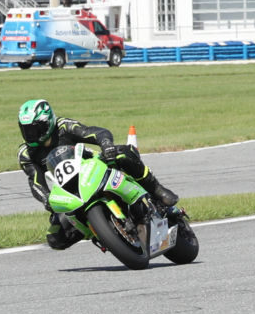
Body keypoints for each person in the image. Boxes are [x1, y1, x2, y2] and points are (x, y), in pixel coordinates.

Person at [16, 98, 179, 250]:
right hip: (69, 189)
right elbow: (35, 181)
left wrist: (106, 145)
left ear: (48, 122)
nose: (31, 134)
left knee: (123, 153)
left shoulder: (64, 126)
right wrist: (46, 198)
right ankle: (100, 232)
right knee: (55, 238)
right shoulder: (26, 154)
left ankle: (157, 189)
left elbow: (96, 133)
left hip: (92, 166)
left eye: (35, 128)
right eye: (26, 130)